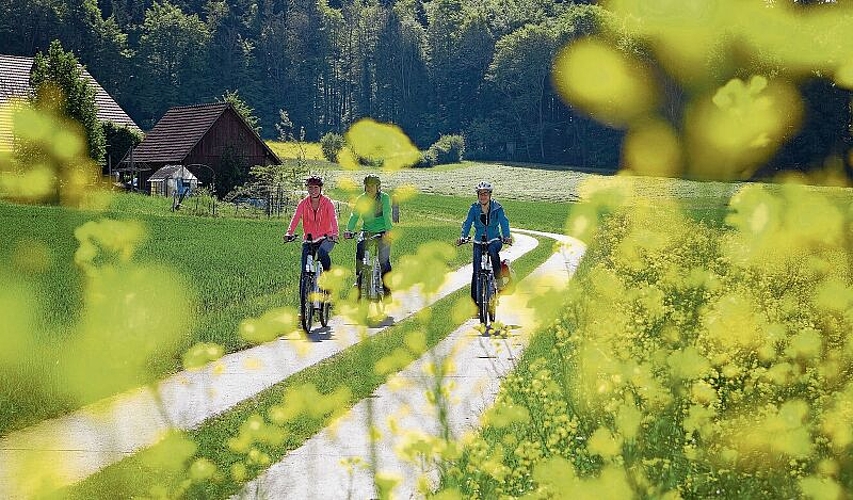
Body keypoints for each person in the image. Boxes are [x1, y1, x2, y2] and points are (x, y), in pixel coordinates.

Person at [457, 181, 512, 304]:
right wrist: (463, 236)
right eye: (481, 194)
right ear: (478, 195)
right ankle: (475, 303)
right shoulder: (474, 208)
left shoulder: (497, 207)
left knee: (493, 252)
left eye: (485, 194)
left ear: (490, 195)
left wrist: (506, 236)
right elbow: (467, 223)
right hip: (478, 240)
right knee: (476, 270)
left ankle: (499, 283)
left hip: (494, 239)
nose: (483, 196)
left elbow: (504, 222)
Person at [343, 174, 393, 298]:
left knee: (384, 261)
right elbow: (355, 215)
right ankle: (359, 279)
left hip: (382, 231)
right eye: (367, 186)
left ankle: (387, 289)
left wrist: (388, 230)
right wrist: (349, 229)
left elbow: (387, 214)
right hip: (366, 231)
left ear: (378, 187)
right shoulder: (361, 199)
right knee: (360, 249)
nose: (369, 188)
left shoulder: (384, 198)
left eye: (372, 186)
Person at [284, 175, 339, 272]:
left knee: (322, 252)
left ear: (320, 188)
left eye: (316, 187)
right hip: (309, 239)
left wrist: (335, 234)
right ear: (307, 188)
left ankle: (328, 279)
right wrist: (289, 233)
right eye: (310, 187)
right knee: (304, 268)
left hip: (326, 237)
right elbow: (296, 217)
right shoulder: (303, 203)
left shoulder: (327, 202)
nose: (313, 190)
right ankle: (304, 286)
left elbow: (333, 218)